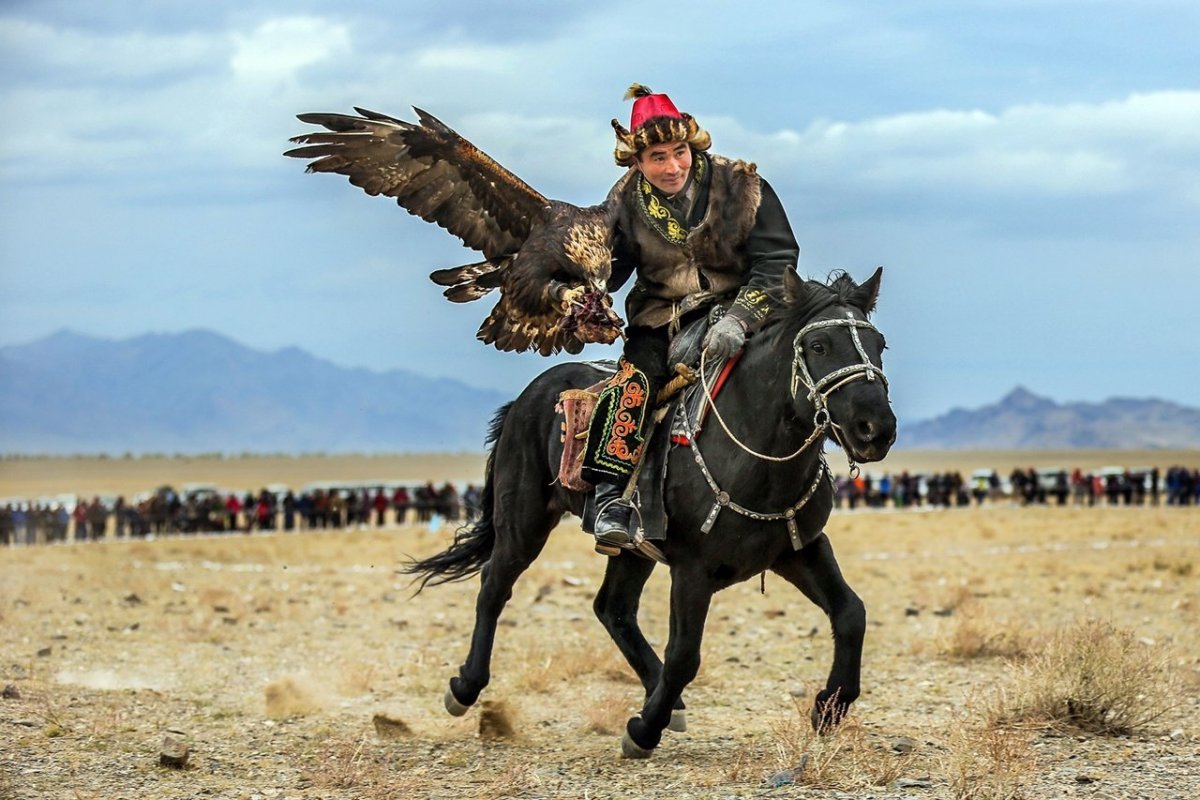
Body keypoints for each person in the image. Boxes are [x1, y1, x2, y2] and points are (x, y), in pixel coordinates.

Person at [582, 84, 801, 550]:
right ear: (636, 162)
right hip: (661, 316)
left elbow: (777, 258)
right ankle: (609, 500)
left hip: (746, 305)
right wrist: (584, 296)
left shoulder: (742, 184)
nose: (672, 166)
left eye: (679, 152)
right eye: (657, 157)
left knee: (799, 366)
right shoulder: (621, 202)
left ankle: (809, 476)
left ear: (693, 145)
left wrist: (740, 318)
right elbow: (612, 271)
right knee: (634, 384)